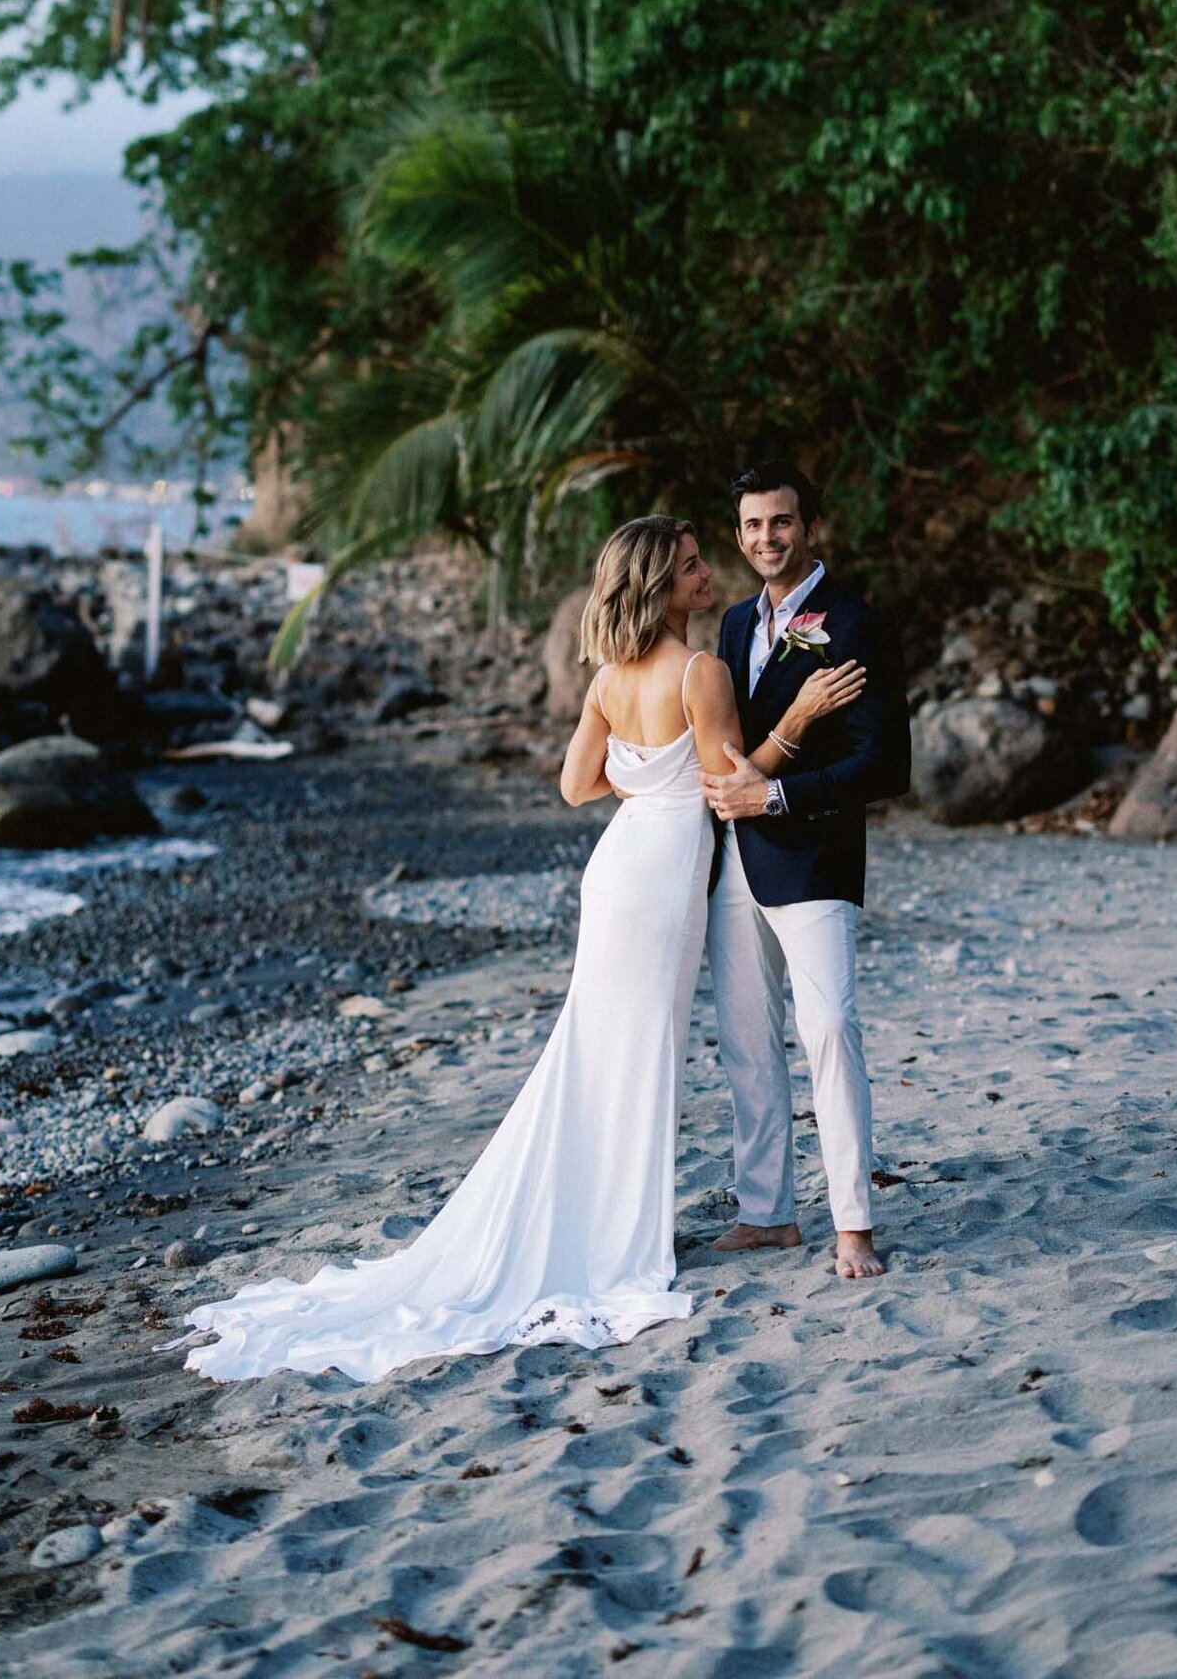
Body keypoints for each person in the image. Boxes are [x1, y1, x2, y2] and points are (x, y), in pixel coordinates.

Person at [174, 515, 864, 1385]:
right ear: (656, 585)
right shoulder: (701, 670)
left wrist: (649, 778)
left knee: (600, 1045)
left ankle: (603, 1215)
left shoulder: (612, 678)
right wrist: (796, 718)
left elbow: (576, 785)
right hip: (661, 877)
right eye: (690, 567)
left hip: (618, 866)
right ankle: (615, 1235)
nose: (705, 576)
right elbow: (734, 787)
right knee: (635, 1049)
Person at [700, 461, 911, 1280]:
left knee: (829, 1029)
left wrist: (779, 796)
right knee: (748, 1042)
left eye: (780, 522)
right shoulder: (728, 626)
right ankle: (768, 1214)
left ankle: (852, 1222)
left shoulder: (857, 623)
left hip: (816, 854)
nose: (766, 538)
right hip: (733, 868)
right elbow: (726, 749)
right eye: (752, 526)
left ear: (810, 527)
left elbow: (885, 763)